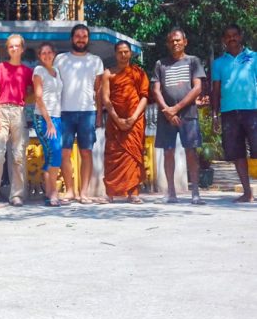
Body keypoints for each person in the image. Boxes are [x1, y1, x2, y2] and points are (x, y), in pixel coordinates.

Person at [151, 28, 206, 204]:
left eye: (178, 40)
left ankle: (195, 193)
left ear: (185, 42)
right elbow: (156, 90)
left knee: (191, 151)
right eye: (172, 41)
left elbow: (197, 88)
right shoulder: (161, 64)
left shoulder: (193, 61)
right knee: (168, 152)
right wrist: (168, 110)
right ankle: (171, 192)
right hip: (166, 116)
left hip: (188, 114)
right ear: (168, 44)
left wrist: (177, 108)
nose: (175, 43)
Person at [54, 24, 104, 204]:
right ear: (72, 38)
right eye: (78, 36)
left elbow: (98, 90)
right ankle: (70, 191)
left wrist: (99, 115)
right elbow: (53, 88)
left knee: (86, 152)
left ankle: (84, 193)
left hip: (88, 112)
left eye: (84, 36)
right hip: (64, 112)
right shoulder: (60, 59)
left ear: (88, 39)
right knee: (64, 153)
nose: (81, 39)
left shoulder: (96, 61)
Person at [212, 24, 257, 203]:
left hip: (253, 110)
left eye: (234, 35)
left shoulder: (254, 57)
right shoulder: (218, 63)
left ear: (240, 36)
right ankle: (247, 192)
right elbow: (215, 91)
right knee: (237, 153)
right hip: (229, 112)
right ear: (224, 40)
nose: (232, 39)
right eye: (228, 36)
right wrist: (215, 115)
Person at [0, 34, 33, 206]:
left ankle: (17, 194)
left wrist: (22, 101)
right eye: (10, 46)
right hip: (1, 110)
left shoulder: (27, 71)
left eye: (17, 46)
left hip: (19, 112)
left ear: (22, 48)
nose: (14, 49)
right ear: (7, 49)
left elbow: (35, 91)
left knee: (18, 154)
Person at [102, 41, 149, 203]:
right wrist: (117, 119)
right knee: (112, 155)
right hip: (115, 121)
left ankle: (133, 192)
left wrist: (133, 118)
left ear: (130, 54)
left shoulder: (139, 73)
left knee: (134, 154)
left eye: (126, 52)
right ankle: (110, 193)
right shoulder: (108, 74)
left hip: (135, 120)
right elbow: (106, 99)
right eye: (120, 52)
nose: (123, 55)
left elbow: (144, 96)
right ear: (115, 54)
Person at [32, 42, 65, 207]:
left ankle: (49, 193)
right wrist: (49, 122)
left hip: (56, 117)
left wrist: (55, 121)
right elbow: (38, 97)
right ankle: (53, 193)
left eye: (49, 52)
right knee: (55, 152)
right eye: (43, 53)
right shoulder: (39, 71)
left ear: (54, 54)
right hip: (44, 118)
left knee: (51, 155)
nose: (46, 55)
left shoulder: (56, 71)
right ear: (39, 56)